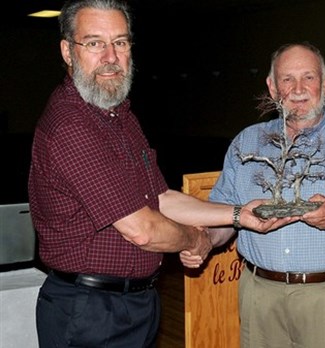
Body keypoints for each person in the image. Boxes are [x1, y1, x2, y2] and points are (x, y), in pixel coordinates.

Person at [28, 1, 292, 347]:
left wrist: (240, 215)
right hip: (90, 312)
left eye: (120, 43)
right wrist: (195, 240)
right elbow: (142, 229)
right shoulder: (72, 125)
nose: (110, 56)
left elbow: (161, 198)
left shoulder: (117, 114)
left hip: (132, 304)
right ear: (67, 51)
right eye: (94, 43)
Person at [184, 42, 325, 348]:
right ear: (272, 87)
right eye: (287, 79)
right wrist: (202, 241)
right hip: (259, 296)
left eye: (308, 77)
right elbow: (224, 214)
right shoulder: (247, 144)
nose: (298, 88)